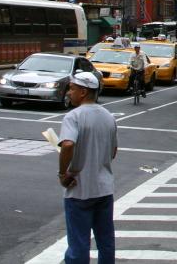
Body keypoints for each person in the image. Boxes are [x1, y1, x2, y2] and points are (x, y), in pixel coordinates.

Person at [58, 71, 118, 264]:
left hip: (79, 190)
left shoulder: (73, 117)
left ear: (83, 92)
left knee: (79, 244)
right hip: (104, 189)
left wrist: (62, 173)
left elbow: (67, 144)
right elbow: (113, 151)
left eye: (72, 88)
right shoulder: (109, 116)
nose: (68, 92)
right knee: (106, 241)